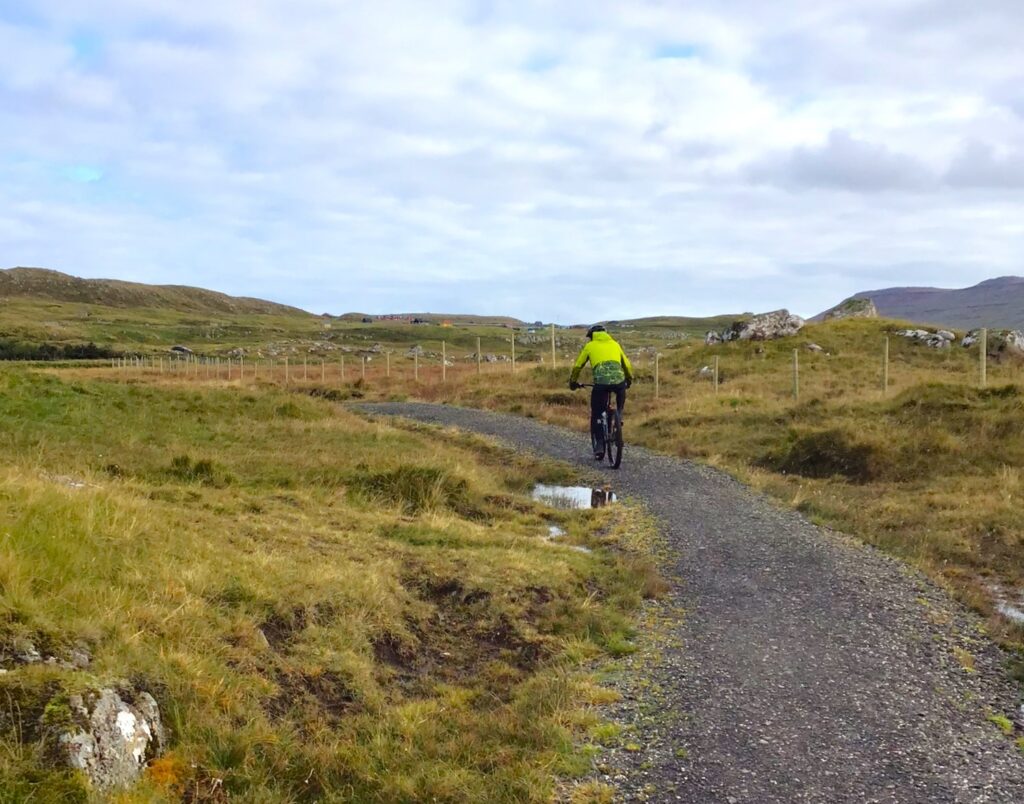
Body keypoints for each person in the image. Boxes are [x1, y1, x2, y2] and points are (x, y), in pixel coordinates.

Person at [568, 325, 634, 458]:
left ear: (592, 336)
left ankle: (599, 445)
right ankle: (619, 415)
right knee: (620, 395)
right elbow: (626, 364)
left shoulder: (590, 346)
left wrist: (573, 382)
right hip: (619, 382)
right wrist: (629, 380)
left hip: (601, 384)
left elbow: (578, 366)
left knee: (597, 413)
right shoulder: (615, 344)